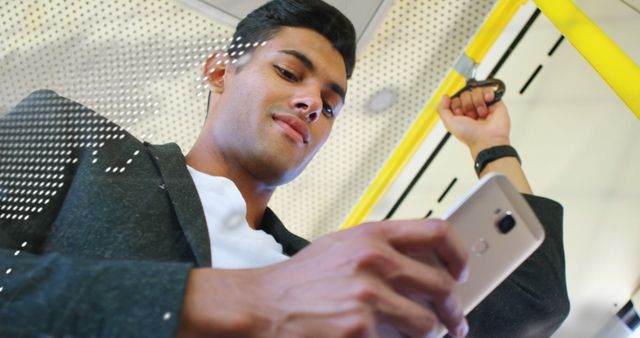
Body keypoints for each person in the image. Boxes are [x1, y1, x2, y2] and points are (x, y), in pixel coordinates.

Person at [0, 0, 569, 337]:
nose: (312, 105)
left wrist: (491, 147)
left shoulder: (321, 273)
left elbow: (532, 307)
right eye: (291, 73)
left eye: (331, 102)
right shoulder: (78, 139)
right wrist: (241, 298)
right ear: (221, 71)